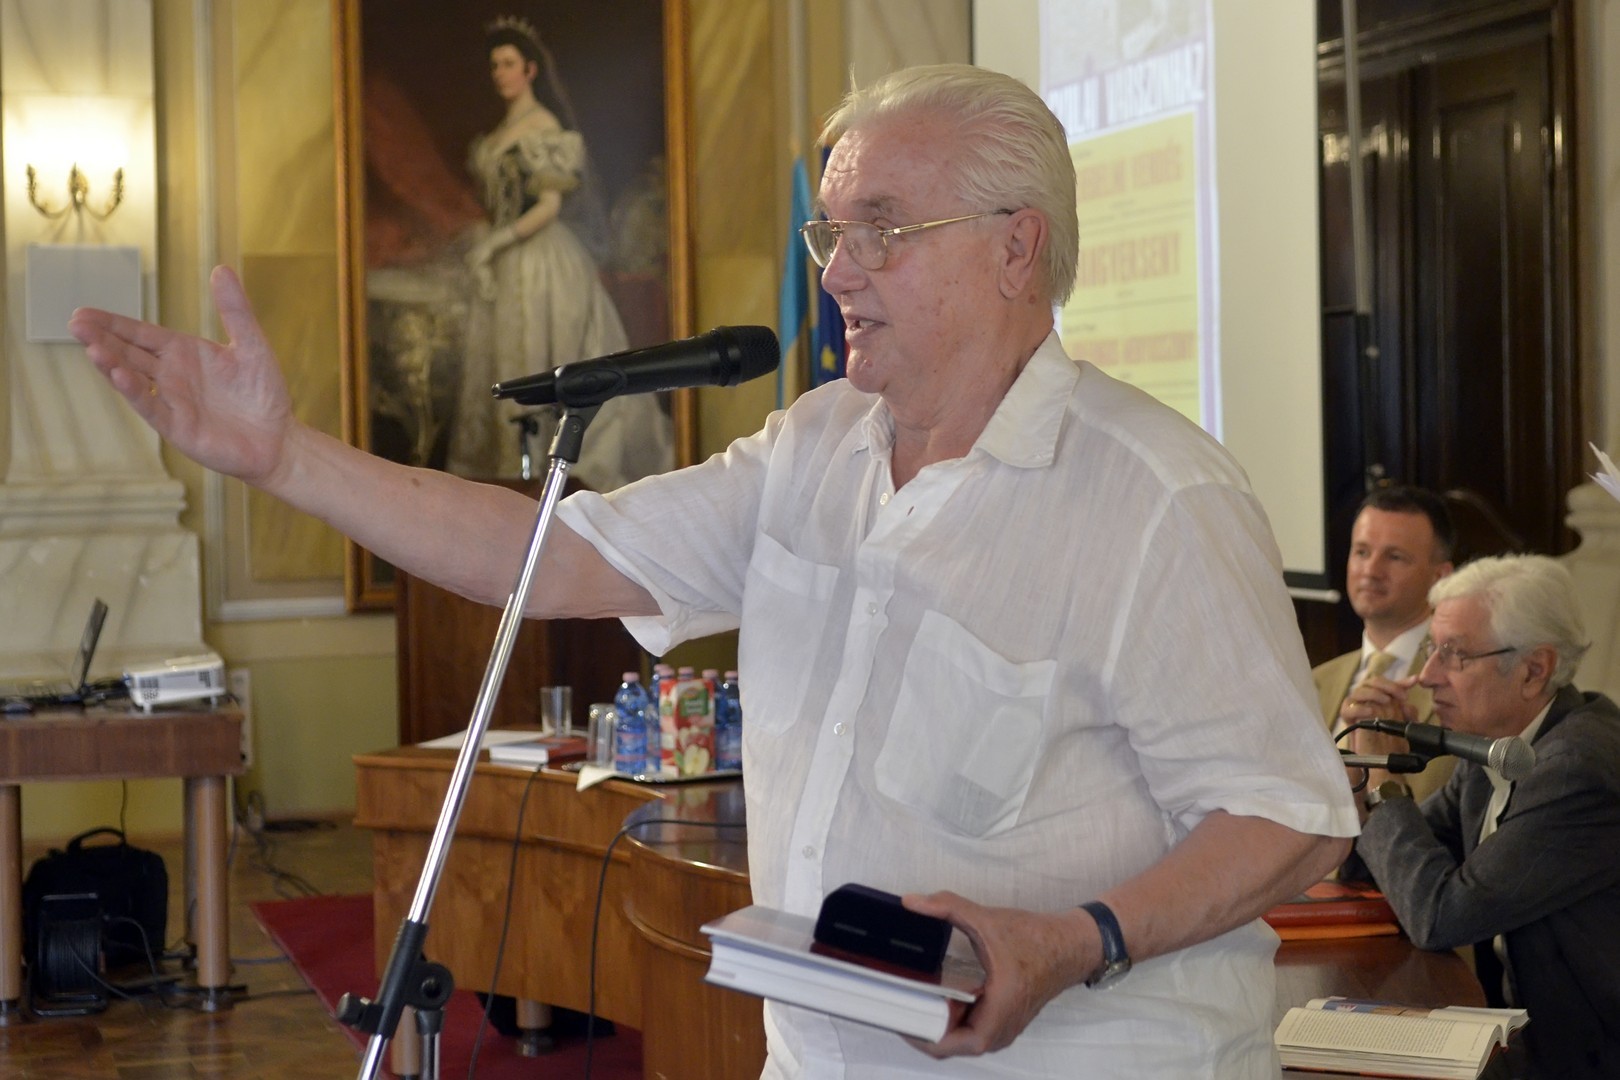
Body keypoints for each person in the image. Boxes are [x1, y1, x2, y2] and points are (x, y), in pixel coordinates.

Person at [71, 64, 1357, 1078]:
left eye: (883, 230)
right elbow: (551, 558)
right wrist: (284, 456)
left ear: (1018, 249)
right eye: (831, 231)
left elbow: (1290, 819)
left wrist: (1077, 940)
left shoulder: (1156, 498)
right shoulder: (814, 447)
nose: (836, 272)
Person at [1348, 555, 1620, 1079]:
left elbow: (1439, 916)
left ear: (1534, 670)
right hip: (1521, 1043)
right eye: (1430, 649)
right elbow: (1380, 873)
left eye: (1454, 654)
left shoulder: (1577, 770)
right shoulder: (1494, 746)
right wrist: (1370, 769)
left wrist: (1384, 783)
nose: (1427, 677)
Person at [447, 16, 672, 489]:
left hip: (542, 261)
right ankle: (512, 475)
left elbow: (549, 206)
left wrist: (495, 243)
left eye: (508, 63)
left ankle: (548, 475)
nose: (500, 73)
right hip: (508, 264)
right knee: (506, 359)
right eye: (495, 65)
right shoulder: (500, 132)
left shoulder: (543, 127)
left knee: (544, 351)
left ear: (530, 70)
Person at [1315, 485, 1456, 801]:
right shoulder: (1316, 680)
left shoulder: (1459, 682)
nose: (1371, 571)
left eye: (1394, 557)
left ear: (1440, 577)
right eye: (1362, 552)